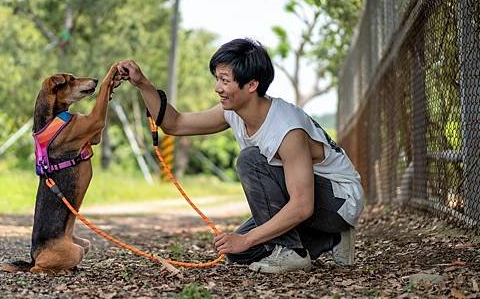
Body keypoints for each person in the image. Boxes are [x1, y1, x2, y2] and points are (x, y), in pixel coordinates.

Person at [115, 38, 364, 273]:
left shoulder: (288, 130)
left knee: (251, 161)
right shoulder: (233, 111)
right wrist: (142, 84)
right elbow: (175, 124)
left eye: (225, 80)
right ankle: (330, 239)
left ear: (252, 85)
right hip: (311, 202)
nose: (217, 88)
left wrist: (246, 239)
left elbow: (302, 205)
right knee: (239, 253)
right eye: (217, 79)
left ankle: (293, 251)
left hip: (338, 202)